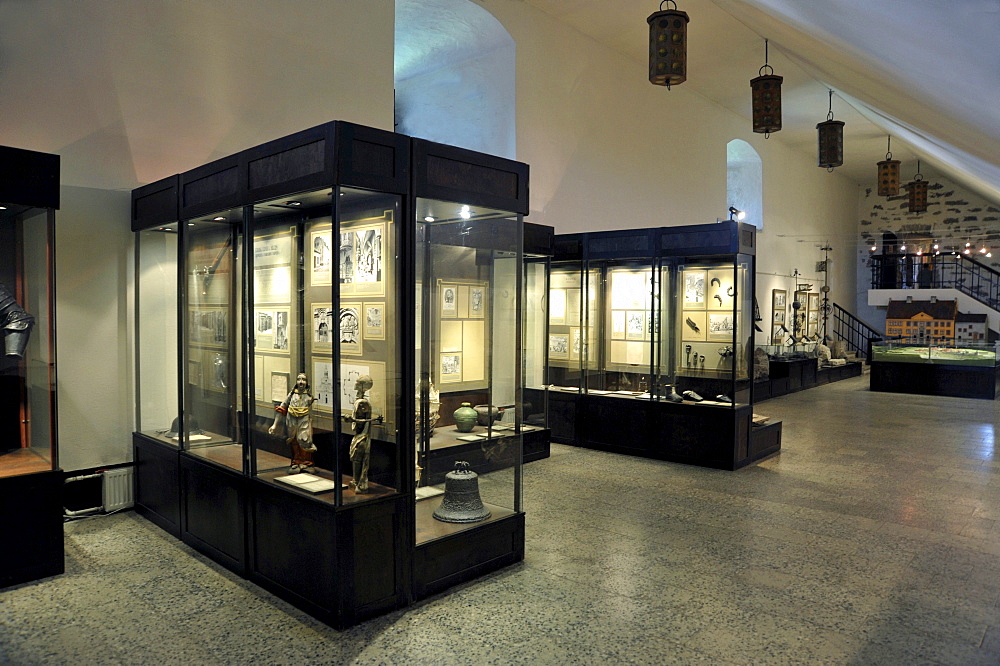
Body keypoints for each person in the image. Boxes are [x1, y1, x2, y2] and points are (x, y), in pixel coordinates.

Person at [269, 372, 317, 473]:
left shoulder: (309, 397)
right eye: (299, 379)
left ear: (307, 383)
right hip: (291, 420)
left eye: (303, 380)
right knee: (293, 440)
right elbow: (281, 408)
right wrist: (274, 425)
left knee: (304, 440)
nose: (301, 382)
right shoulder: (291, 395)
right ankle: (296, 462)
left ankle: (306, 463)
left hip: (304, 420)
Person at [344, 375, 377, 493]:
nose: (355, 385)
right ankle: (356, 480)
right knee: (356, 458)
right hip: (360, 436)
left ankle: (358, 481)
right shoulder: (361, 402)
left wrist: (352, 420)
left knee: (358, 458)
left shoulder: (363, 404)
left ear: (363, 386)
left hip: (362, 436)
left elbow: (361, 424)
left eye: (358, 383)